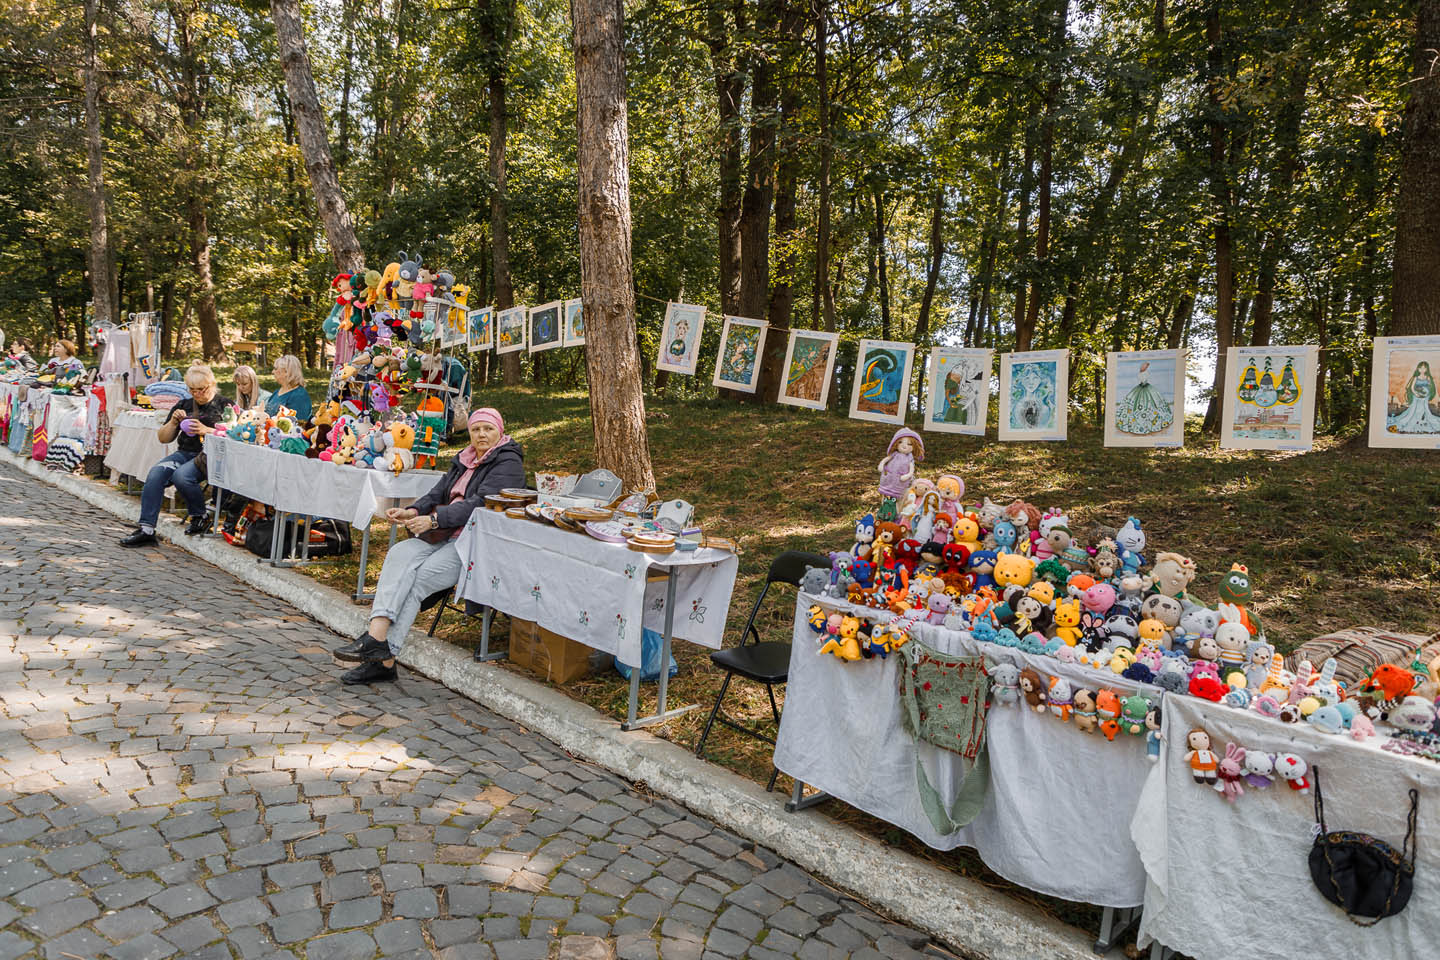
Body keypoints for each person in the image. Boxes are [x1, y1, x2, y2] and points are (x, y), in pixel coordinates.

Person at [332, 408, 524, 684]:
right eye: (476, 429)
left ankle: (383, 658)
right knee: (399, 553)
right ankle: (377, 640)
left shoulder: (508, 463)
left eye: (488, 429)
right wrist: (412, 511)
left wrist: (433, 520)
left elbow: (481, 504)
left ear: (500, 431)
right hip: (443, 531)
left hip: (474, 542)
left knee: (419, 579)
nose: (481, 434)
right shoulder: (465, 458)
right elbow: (439, 492)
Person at [120, 363, 231, 547]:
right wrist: (173, 423)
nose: (196, 394)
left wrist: (206, 430)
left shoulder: (224, 405)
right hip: (185, 453)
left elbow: (234, 435)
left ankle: (199, 515)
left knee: (182, 476)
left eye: (201, 389)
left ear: (211, 385)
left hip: (211, 457)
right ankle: (147, 529)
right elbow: (163, 438)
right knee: (155, 473)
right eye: (192, 389)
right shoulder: (183, 404)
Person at [264, 354, 312, 421]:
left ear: (286, 372)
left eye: (275, 369)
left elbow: (298, 424)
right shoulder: (276, 392)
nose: (273, 372)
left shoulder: (299, 395)